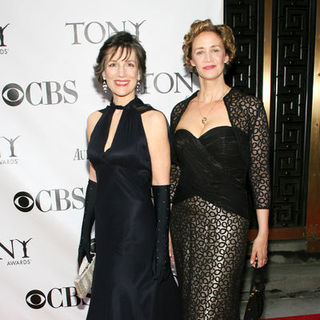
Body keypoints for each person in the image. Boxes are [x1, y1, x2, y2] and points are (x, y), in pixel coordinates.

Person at [169, 19, 270, 320]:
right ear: (190, 60)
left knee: (208, 309)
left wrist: (263, 232)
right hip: (184, 222)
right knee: (194, 310)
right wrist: (168, 234)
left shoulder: (248, 107)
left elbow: (260, 173)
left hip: (227, 221)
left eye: (216, 50)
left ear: (227, 55)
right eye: (200, 52)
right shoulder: (179, 110)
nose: (209, 58)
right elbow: (175, 174)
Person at [77, 31, 180, 320]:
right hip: (108, 234)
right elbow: (94, 183)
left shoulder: (153, 119)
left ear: (140, 73)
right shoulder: (93, 121)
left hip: (139, 233)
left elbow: (161, 190)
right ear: (102, 73)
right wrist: (85, 238)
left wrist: (161, 249)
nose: (121, 73)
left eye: (130, 64)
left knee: (134, 305)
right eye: (113, 64)